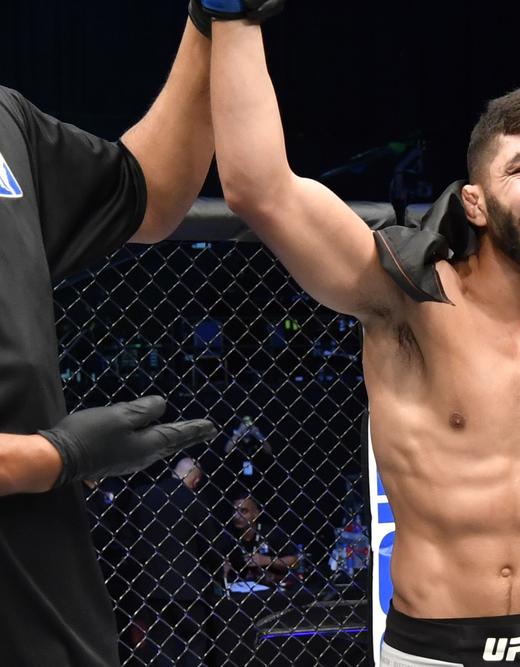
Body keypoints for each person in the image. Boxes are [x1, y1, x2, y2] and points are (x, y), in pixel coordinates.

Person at [205, 3, 520, 666]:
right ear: (474, 201)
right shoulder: (404, 300)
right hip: (437, 650)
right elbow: (260, 189)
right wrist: (232, 14)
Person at [0, 6, 237, 662]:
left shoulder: (5, 120)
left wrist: (211, 20)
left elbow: (148, 193)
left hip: (54, 616)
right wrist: (52, 457)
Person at [132, 457, 225, 666]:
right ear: (196, 480)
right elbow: (210, 545)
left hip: (152, 586)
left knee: (160, 646)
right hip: (188, 588)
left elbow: (132, 541)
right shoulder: (193, 500)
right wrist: (217, 573)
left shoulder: (142, 495)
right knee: (193, 645)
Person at [225, 495, 299, 586]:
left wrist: (268, 560)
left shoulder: (271, 533)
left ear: (256, 513)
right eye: (234, 511)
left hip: (271, 586)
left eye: (243, 511)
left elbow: (293, 560)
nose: (236, 516)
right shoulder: (227, 536)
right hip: (238, 586)